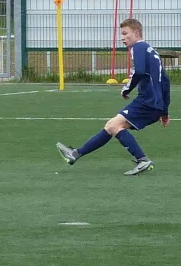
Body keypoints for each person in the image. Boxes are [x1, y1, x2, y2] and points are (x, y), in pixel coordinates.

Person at [56, 18, 171, 175]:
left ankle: (142, 160)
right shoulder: (152, 51)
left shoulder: (138, 47)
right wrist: (164, 110)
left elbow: (139, 71)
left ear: (136, 33)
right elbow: (165, 81)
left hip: (147, 101)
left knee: (114, 126)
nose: (122, 38)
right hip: (154, 104)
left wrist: (127, 89)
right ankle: (75, 154)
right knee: (112, 125)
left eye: (125, 34)